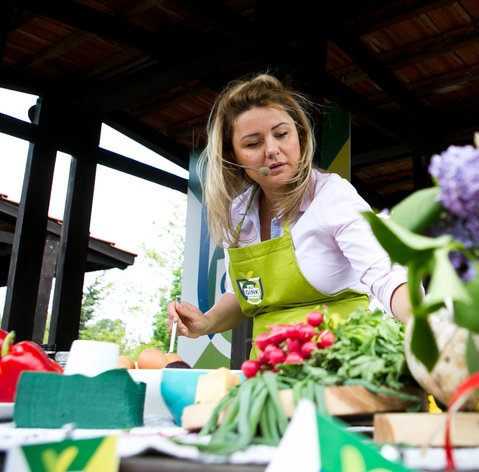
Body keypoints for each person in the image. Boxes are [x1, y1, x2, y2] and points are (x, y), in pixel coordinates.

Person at [167, 74, 411, 352]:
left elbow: (386, 275)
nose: (273, 150)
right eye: (253, 143)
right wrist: (206, 322)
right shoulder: (237, 216)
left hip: (342, 366)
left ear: (300, 136)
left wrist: (425, 326)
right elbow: (242, 294)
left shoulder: (331, 196)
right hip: (267, 370)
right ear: (233, 155)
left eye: (281, 134)